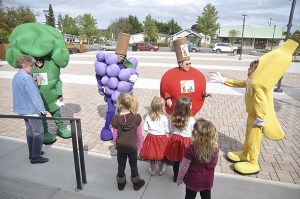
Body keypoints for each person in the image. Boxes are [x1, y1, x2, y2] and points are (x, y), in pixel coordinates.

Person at [209, 39, 299, 175]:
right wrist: (224, 80)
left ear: (256, 70)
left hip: (258, 118)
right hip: (252, 115)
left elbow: (261, 102)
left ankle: (253, 162)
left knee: (254, 139)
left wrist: (261, 119)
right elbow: (239, 83)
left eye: (250, 68)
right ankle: (245, 153)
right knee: (248, 136)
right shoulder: (251, 81)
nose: (248, 69)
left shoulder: (257, 85)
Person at [6, 22, 71, 145]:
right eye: (36, 61)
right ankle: (45, 131)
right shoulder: (26, 69)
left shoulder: (51, 62)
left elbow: (58, 79)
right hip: (38, 98)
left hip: (53, 97)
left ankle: (61, 128)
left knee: (57, 112)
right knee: (42, 116)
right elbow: (15, 60)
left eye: (41, 60)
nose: (39, 62)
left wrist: (59, 94)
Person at [95, 32, 139, 141]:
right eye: (120, 56)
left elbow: (132, 73)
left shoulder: (126, 64)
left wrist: (133, 77)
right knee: (111, 111)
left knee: (123, 111)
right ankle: (106, 128)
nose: (122, 58)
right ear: (116, 54)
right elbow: (99, 75)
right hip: (111, 92)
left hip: (123, 93)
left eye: (123, 56)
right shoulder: (108, 62)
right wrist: (102, 86)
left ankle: (122, 129)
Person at [12, 55, 49, 164]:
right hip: (31, 110)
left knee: (30, 132)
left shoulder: (17, 75)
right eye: (31, 65)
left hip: (22, 110)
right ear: (25, 66)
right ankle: (35, 157)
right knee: (38, 132)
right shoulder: (26, 78)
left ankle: (32, 152)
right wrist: (43, 110)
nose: (32, 67)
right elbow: (35, 96)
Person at [160, 37, 211, 116]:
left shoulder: (197, 75)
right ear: (180, 64)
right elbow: (165, 90)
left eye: (190, 63)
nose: (189, 66)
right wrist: (168, 98)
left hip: (190, 110)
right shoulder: (169, 76)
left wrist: (204, 94)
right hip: (177, 111)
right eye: (186, 64)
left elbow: (200, 89)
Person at [177, 119, 219, 199]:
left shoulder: (190, 149)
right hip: (208, 178)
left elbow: (184, 167)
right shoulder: (215, 148)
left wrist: (179, 179)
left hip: (193, 180)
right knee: (206, 197)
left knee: (189, 197)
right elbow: (215, 161)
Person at [111, 92, 145, 191]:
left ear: (120, 104)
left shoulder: (115, 119)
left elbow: (115, 135)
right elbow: (139, 134)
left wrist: (115, 145)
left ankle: (121, 183)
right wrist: (140, 145)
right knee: (133, 165)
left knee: (121, 166)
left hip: (121, 147)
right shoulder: (136, 118)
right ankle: (136, 183)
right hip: (132, 147)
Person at [164, 96, 195, 182]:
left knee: (176, 160)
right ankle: (184, 176)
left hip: (175, 140)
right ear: (187, 108)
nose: (192, 106)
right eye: (191, 105)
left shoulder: (173, 117)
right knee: (185, 161)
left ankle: (176, 177)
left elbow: (170, 129)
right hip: (186, 141)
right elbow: (193, 131)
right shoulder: (191, 119)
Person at [140, 96, 170, 176]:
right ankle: (160, 170)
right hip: (162, 139)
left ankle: (152, 170)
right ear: (162, 107)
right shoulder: (164, 118)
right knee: (161, 155)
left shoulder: (148, 117)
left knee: (151, 155)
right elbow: (167, 130)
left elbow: (145, 129)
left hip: (151, 138)